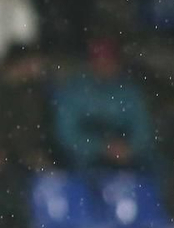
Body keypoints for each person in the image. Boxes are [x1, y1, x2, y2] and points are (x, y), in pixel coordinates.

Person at [54, 38, 156, 172]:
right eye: (99, 60)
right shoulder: (74, 91)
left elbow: (143, 130)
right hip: (83, 162)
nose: (104, 65)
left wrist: (129, 148)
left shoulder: (130, 93)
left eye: (108, 60)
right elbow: (66, 134)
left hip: (129, 160)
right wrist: (102, 147)